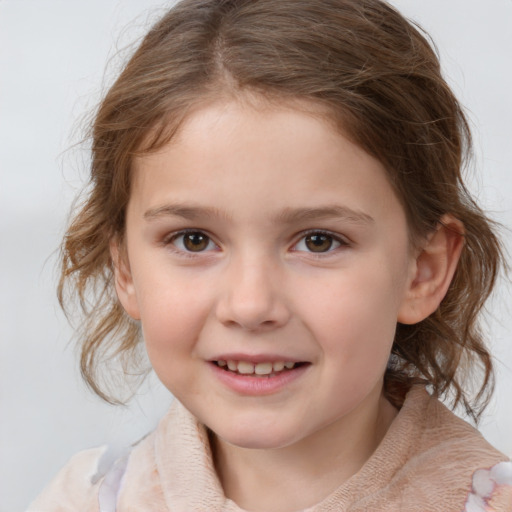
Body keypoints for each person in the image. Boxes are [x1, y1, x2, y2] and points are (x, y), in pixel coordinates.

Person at [28, 0, 512, 510]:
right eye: (194, 240)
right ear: (125, 267)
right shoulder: (85, 499)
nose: (251, 305)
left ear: (423, 271)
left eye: (318, 241)